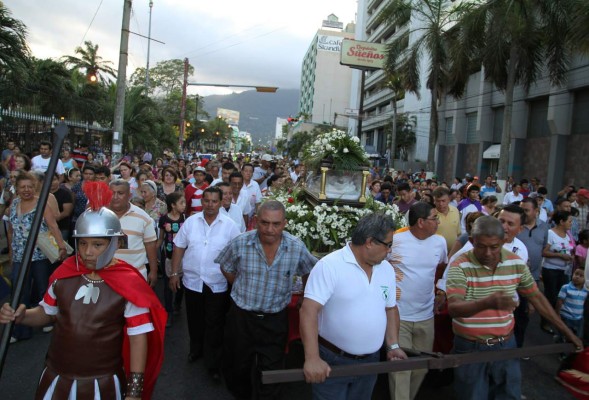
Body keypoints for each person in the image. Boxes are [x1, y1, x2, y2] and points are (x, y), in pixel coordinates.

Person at [0, 182, 166, 398]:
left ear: (115, 243)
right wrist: (22, 316)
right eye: (83, 244)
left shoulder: (128, 284)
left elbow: (137, 338)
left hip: (102, 380)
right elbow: (46, 313)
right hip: (57, 374)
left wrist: (134, 391)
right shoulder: (64, 275)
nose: (88, 252)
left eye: (98, 245)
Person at [447, 216, 583, 400]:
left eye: (494, 247)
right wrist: (488, 302)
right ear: (472, 241)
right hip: (470, 346)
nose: (488, 253)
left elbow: (537, 298)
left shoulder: (516, 263)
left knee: (508, 395)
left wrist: (567, 333)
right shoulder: (459, 265)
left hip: (506, 345)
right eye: (481, 246)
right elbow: (454, 308)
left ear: (504, 241)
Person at [215, 200, 317, 399]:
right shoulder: (241, 242)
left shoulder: (295, 247)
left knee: (272, 372)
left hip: (274, 320)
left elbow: (310, 270)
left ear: (284, 223)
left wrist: (305, 294)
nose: (270, 229)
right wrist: (239, 284)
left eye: (276, 224)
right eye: (264, 223)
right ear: (256, 220)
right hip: (241, 318)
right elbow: (225, 266)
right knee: (238, 366)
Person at [300, 212, 407, 399]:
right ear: (370, 242)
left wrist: (393, 345)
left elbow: (390, 308)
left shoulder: (386, 269)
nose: (390, 250)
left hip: (370, 363)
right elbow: (308, 311)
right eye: (388, 245)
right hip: (333, 361)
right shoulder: (330, 266)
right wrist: (312, 358)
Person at [170, 187, 240, 380]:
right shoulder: (191, 222)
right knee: (194, 319)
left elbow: (237, 253)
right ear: (202, 202)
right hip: (192, 281)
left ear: (221, 202)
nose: (210, 205)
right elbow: (179, 246)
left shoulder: (230, 225)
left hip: (217, 283)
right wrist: (174, 273)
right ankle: (196, 350)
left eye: (214, 201)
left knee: (215, 323)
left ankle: (213, 363)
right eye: (206, 201)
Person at [388, 202, 447, 400]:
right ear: (420, 222)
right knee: (400, 368)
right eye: (434, 218)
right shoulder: (395, 239)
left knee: (421, 367)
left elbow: (443, 268)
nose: (438, 222)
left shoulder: (440, 242)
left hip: (425, 316)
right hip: (398, 315)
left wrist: (442, 292)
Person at [7, 172, 68, 342]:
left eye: (30, 186)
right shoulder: (14, 204)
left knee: (43, 288)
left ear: (35, 187)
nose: (26, 190)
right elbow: (11, 231)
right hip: (20, 255)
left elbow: (53, 226)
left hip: (39, 255)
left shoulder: (42, 204)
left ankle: (48, 319)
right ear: (17, 189)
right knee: (19, 292)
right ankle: (20, 330)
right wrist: (11, 253)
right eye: (22, 187)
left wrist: (61, 246)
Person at [109, 179, 159, 286]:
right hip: (106, 275)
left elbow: (150, 244)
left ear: (129, 195)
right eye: (112, 193)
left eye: (120, 193)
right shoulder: (99, 215)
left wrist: (153, 271)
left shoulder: (143, 217)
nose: (115, 197)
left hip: (135, 275)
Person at [542, 210, 576, 333]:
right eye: (569, 221)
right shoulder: (550, 234)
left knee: (560, 297)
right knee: (550, 297)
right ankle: (545, 322)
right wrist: (560, 256)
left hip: (564, 270)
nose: (571, 223)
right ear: (561, 222)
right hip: (551, 270)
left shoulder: (568, 235)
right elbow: (544, 252)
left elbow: (570, 248)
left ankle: (556, 321)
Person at [157, 191, 186, 327]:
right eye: (182, 203)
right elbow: (161, 238)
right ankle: (167, 311)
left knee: (180, 284)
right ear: (173, 205)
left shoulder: (185, 218)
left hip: (182, 257)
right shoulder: (163, 220)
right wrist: (153, 252)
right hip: (167, 256)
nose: (184, 205)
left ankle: (177, 305)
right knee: (168, 285)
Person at [556, 267, 588, 343]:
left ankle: (572, 352)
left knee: (578, 336)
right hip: (566, 317)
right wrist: (557, 314)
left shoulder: (586, 291)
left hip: (579, 318)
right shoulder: (566, 287)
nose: (577, 277)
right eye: (576, 274)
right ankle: (562, 351)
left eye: (581, 276)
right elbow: (559, 301)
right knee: (565, 336)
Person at [433, 186, 461, 253]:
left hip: (453, 252)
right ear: (434, 201)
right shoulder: (431, 214)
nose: (441, 204)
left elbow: (458, 233)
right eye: (438, 201)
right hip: (436, 253)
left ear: (449, 199)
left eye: (443, 201)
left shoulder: (455, 210)